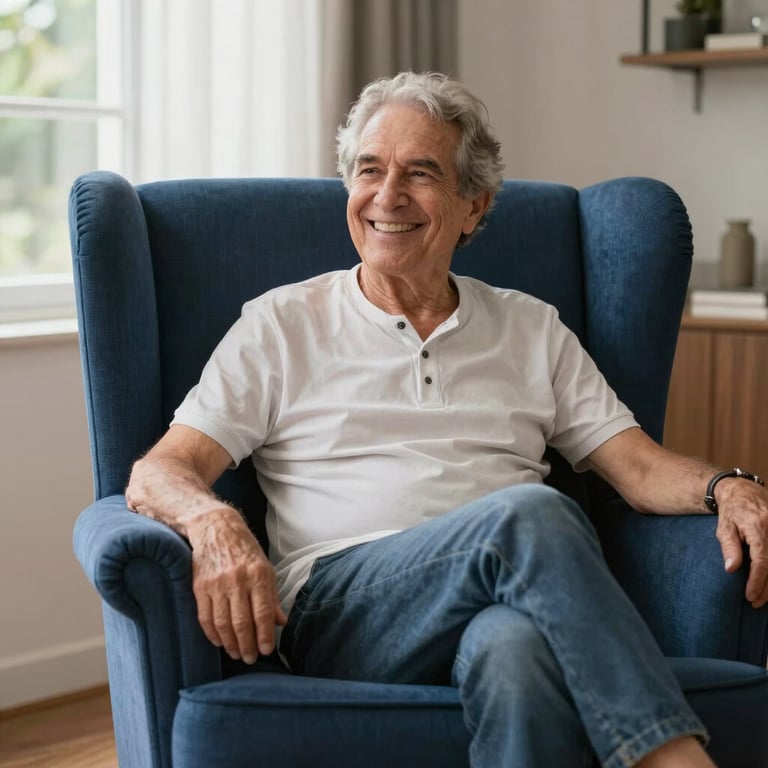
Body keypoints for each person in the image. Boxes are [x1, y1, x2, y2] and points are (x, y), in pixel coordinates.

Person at [125, 71, 768, 767]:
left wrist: (728, 487)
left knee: (514, 650)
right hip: (341, 612)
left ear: (473, 206)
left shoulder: (529, 327)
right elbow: (160, 471)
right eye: (369, 170)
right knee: (531, 514)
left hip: (508, 598)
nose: (387, 195)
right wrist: (215, 522)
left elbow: (638, 467)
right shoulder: (283, 324)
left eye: (421, 173)